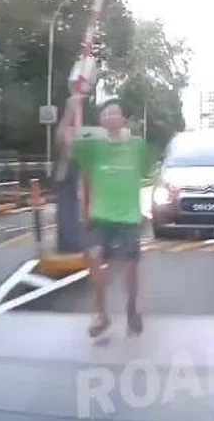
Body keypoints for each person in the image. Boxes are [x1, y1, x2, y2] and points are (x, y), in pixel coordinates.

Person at [57, 96, 148, 338]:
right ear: (101, 120)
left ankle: (131, 307)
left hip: (128, 217)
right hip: (100, 216)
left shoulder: (136, 144)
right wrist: (69, 110)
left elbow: (152, 171)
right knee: (95, 258)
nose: (109, 116)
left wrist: (168, 186)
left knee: (131, 267)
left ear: (122, 119)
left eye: (114, 112)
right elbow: (63, 139)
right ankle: (101, 313)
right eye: (105, 113)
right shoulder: (93, 147)